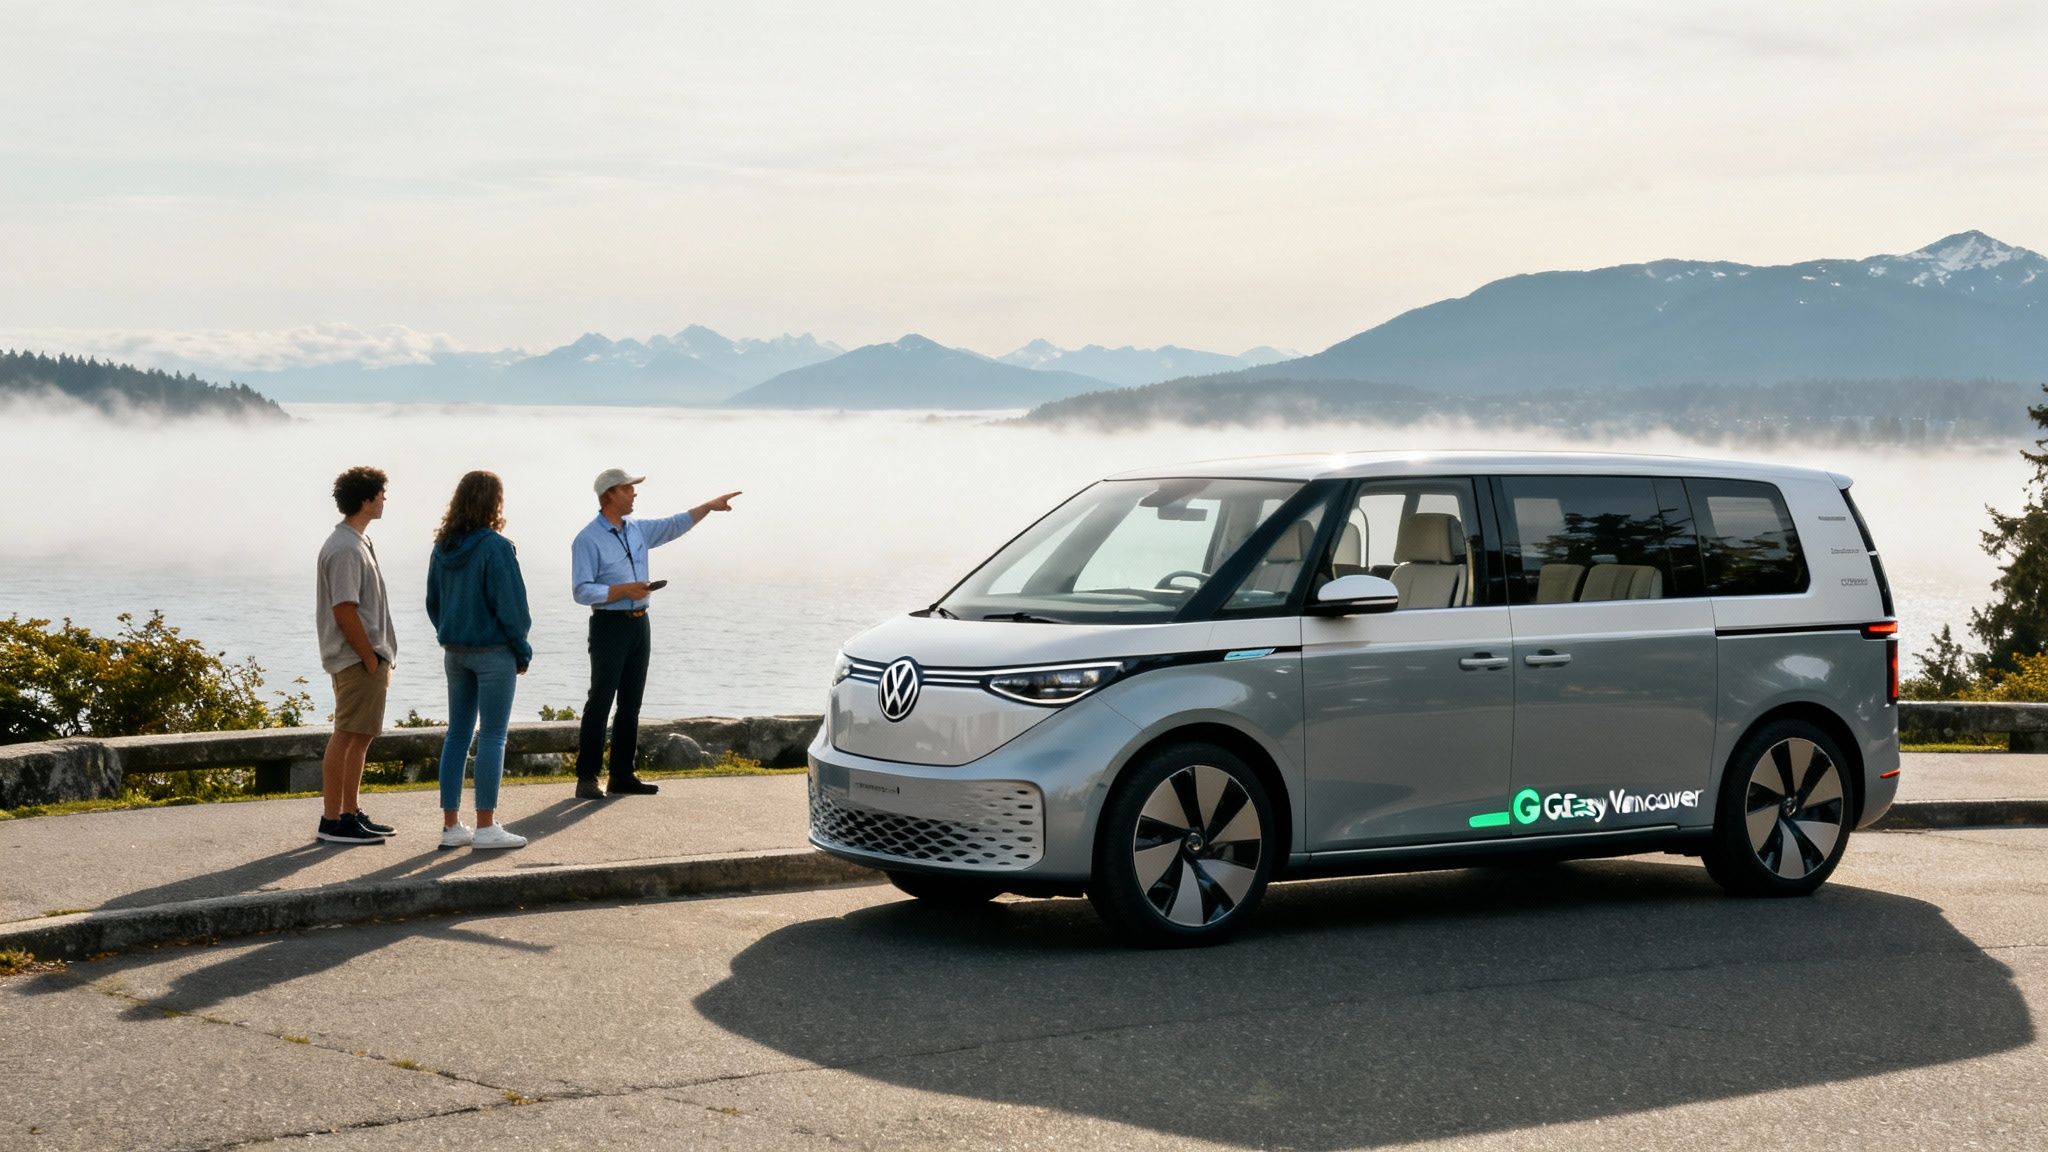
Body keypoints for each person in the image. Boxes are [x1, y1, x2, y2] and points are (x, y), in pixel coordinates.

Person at [570, 468, 741, 799]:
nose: (635, 494)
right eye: (628, 489)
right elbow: (581, 590)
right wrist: (623, 591)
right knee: (600, 702)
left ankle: (622, 775)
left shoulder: (637, 529)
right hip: (609, 625)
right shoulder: (587, 538)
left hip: (639, 622)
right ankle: (587, 777)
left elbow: (674, 525)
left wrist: (709, 506)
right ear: (609, 495)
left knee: (631, 702)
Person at [425, 470, 533, 850]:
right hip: (493, 654)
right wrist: (521, 650)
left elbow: (433, 603)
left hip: (455, 653)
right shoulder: (496, 548)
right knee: (492, 736)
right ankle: (486, 826)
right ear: (495, 503)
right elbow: (512, 609)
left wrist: (450, 633)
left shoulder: (443, 547)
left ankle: (452, 825)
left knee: (457, 735)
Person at [315, 466, 398, 845]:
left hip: (366, 657)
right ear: (365, 500)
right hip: (355, 659)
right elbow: (344, 608)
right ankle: (333, 819)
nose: (385, 500)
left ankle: (349, 811)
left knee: (359, 737)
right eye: (381, 494)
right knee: (347, 734)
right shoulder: (346, 548)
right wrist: (368, 657)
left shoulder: (356, 541)